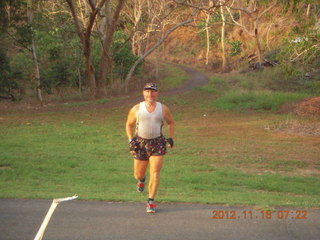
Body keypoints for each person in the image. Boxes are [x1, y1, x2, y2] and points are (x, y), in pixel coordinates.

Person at [125, 83, 175, 213]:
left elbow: (171, 122)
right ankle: (141, 180)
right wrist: (131, 140)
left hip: (157, 143)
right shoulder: (136, 109)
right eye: (147, 92)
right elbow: (128, 124)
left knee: (155, 172)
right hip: (140, 144)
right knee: (137, 173)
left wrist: (170, 137)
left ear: (157, 93)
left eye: (152, 92)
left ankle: (150, 201)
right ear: (143, 93)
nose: (150, 95)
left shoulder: (163, 109)